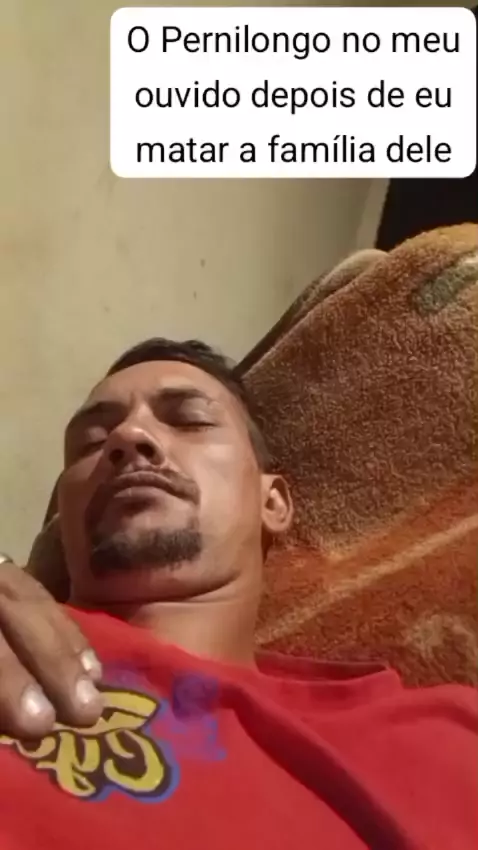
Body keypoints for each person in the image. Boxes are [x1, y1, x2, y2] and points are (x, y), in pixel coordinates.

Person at [0, 338, 476, 850]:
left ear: (273, 503)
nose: (128, 436)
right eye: (91, 442)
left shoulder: (444, 741)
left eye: (189, 420)